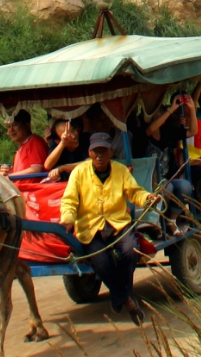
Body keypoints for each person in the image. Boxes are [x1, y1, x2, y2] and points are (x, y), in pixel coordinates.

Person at [60, 133, 156, 324]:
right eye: (96, 151)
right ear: (89, 152)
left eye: (104, 151)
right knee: (101, 262)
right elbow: (69, 201)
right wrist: (68, 219)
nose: (100, 156)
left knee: (130, 251)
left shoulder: (121, 171)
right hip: (91, 228)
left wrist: (147, 198)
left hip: (118, 224)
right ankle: (126, 300)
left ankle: (120, 295)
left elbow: (134, 192)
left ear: (111, 152)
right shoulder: (79, 173)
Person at [0, 108, 49, 176]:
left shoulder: (34, 142)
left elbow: (37, 169)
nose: (11, 130)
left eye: (15, 125)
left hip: (32, 186)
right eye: (9, 126)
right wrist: (8, 172)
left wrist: (10, 176)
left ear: (27, 126)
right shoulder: (23, 145)